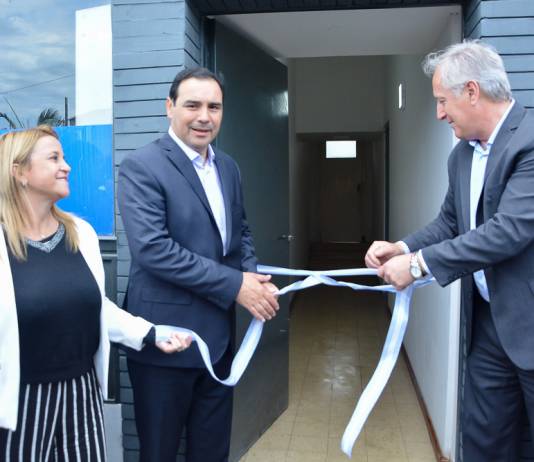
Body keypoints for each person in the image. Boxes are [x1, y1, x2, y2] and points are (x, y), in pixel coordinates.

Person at [365, 40, 534, 461]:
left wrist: (416, 265)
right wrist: (400, 247)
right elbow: (450, 224)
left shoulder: (529, 141)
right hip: (489, 329)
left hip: (529, 326)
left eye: (442, 101)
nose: (439, 114)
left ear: (472, 92)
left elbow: (508, 231)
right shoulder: (460, 156)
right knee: (484, 442)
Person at [0, 125, 191, 461]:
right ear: (20, 172)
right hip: (19, 400)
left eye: (64, 157)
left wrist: (149, 333)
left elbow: (94, 307)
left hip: (82, 393)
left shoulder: (80, 233)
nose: (67, 166)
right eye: (54, 158)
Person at [117, 66, 279, 462]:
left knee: (211, 452)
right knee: (159, 452)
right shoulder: (142, 165)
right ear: (169, 107)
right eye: (192, 105)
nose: (204, 117)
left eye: (214, 107)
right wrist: (236, 286)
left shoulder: (228, 166)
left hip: (219, 341)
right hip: (165, 343)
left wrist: (252, 276)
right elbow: (154, 250)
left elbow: (240, 232)